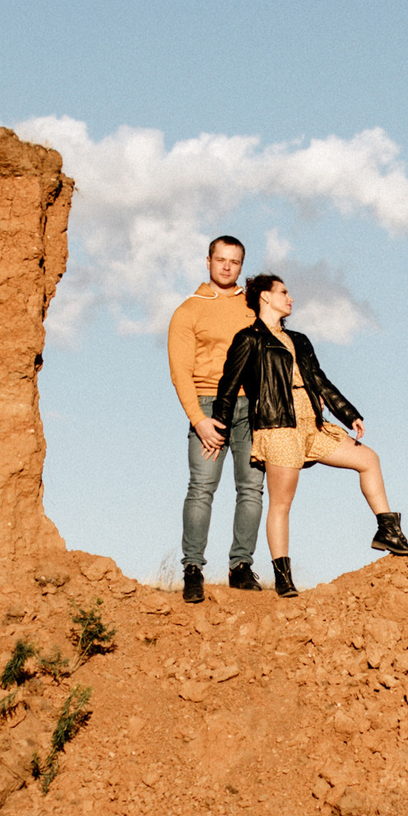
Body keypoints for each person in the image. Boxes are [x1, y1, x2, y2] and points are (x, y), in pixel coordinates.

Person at [212, 272, 408, 597]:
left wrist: (349, 413)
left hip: (312, 423)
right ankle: (283, 577)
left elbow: (320, 381)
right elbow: (228, 386)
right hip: (277, 425)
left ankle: (388, 531)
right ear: (264, 297)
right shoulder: (248, 339)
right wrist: (218, 428)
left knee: (368, 459)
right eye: (283, 292)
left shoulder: (300, 339)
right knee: (281, 503)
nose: (290, 298)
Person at [166, 236, 265, 603]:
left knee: (251, 489)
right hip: (208, 407)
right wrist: (199, 419)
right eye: (220, 259)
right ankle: (193, 568)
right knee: (201, 488)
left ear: (241, 265)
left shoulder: (254, 306)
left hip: (251, 408)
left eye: (234, 262)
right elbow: (180, 371)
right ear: (208, 261)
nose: (226, 267)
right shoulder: (188, 310)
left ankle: (241, 566)